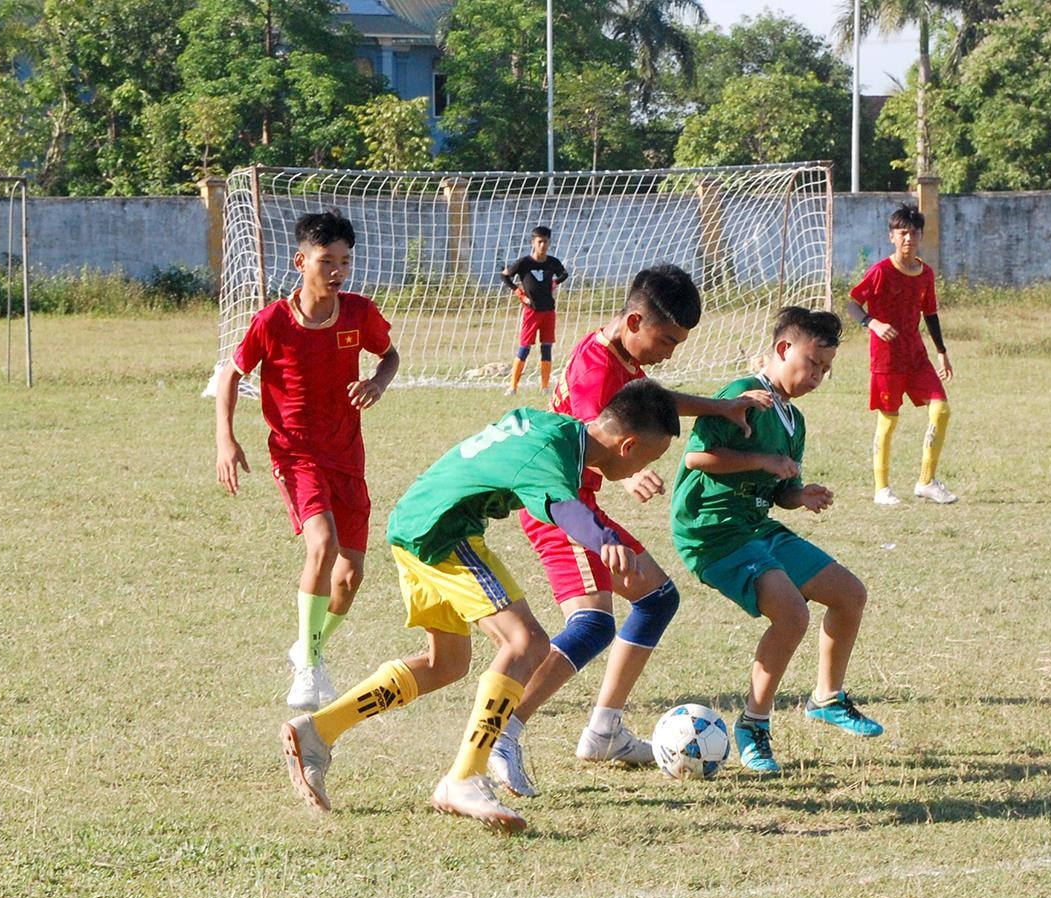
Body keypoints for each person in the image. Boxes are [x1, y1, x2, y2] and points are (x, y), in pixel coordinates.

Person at [279, 379, 681, 833]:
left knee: (445, 663)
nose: (645, 469)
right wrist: (606, 540)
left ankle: (318, 731)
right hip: (441, 535)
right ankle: (464, 777)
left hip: (416, 522)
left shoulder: (552, 428)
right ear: (627, 446)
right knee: (525, 640)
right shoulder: (551, 459)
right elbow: (564, 508)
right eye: (650, 457)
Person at [486, 263, 773, 798]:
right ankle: (503, 731)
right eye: (665, 339)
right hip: (561, 508)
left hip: (580, 502)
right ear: (635, 319)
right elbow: (607, 434)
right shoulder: (597, 369)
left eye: (677, 343)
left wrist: (720, 406)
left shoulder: (621, 352)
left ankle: (604, 731)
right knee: (593, 626)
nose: (669, 352)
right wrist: (631, 473)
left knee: (658, 598)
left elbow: (651, 402)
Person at [670, 306, 884, 775]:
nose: (818, 377)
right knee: (792, 613)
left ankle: (827, 698)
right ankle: (753, 725)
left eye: (826, 369)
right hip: (712, 531)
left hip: (756, 524)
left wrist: (797, 494)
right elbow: (697, 458)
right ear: (784, 349)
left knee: (849, 594)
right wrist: (763, 461)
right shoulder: (740, 396)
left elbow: (779, 491)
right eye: (813, 363)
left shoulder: (793, 420)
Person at [215, 209, 400, 712]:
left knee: (351, 576)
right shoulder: (272, 321)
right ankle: (309, 666)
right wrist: (226, 440)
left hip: (347, 456)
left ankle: (307, 644)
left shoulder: (359, 313)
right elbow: (231, 375)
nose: (337, 270)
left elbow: (390, 356)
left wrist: (377, 382)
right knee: (322, 543)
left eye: (345, 260)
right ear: (300, 261)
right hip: (295, 454)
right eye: (326, 260)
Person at [846, 203, 958, 506]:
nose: (908, 238)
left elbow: (931, 313)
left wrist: (942, 351)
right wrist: (873, 323)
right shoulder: (881, 271)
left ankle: (926, 481)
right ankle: (882, 489)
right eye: (902, 233)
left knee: (942, 410)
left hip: (916, 356)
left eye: (914, 233)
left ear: (921, 236)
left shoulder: (926, 274)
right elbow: (852, 304)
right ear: (892, 236)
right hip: (887, 359)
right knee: (889, 421)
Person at [500, 225, 569, 395]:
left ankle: (545, 387)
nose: (542, 245)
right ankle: (513, 387)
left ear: (549, 242)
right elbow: (504, 275)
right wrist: (518, 292)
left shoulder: (553, 262)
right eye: (539, 242)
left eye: (545, 242)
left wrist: (555, 283)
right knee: (524, 348)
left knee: (546, 348)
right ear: (533, 243)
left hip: (548, 312)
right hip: (531, 312)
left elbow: (564, 273)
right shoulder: (524, 263)